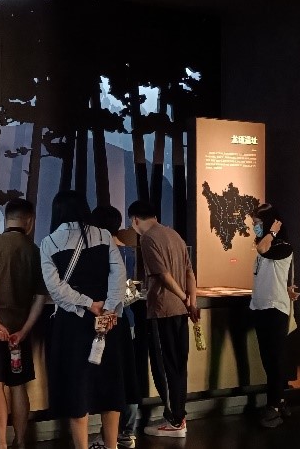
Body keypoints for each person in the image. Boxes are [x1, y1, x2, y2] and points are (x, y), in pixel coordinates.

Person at [41, 191, 127, 449]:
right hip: (107, 322)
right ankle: (111, 446)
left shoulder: (49, 242)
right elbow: (118, 275)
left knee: (77, 385)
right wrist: (109, 309)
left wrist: (89, 304)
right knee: (109, 384)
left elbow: (55, 288)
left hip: (73, 323)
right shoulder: (103, 235)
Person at [0, 198, 48, 449]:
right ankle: (21, 442)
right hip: (19, 329)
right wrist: (24, 330)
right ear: (30, 221)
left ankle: (0, 444)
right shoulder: (35, 251)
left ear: (6, 218)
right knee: (18, 385)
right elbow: (40, 296)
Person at [128, 200, 196, 438]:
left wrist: (183, 298)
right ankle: (179, 416)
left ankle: (175, 421)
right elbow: (189, 272)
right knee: (178, 365)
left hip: (161, 310)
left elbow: (164, 276)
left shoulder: (147, 239)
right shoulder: (174, 235)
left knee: (164, 367)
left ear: (135, 220)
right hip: (180, 311)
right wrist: (191, 302)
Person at [90, 205, 141, 449]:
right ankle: (127, 431)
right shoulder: (128, 251)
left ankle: (111, 435)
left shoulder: (103, 252)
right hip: (127, 318)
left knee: (111, 379)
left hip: (108, 319)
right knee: (126, 374)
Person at [248, 203, 299, 428]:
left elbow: (262, 249)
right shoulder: (266, 245)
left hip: (275, 309)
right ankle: (280, 400)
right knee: (268, 360)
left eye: (258, 223)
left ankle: (274, 408)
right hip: (260, 307)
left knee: (276, 359)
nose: (255, 227)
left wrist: (272, 232)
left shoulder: (283, 246)